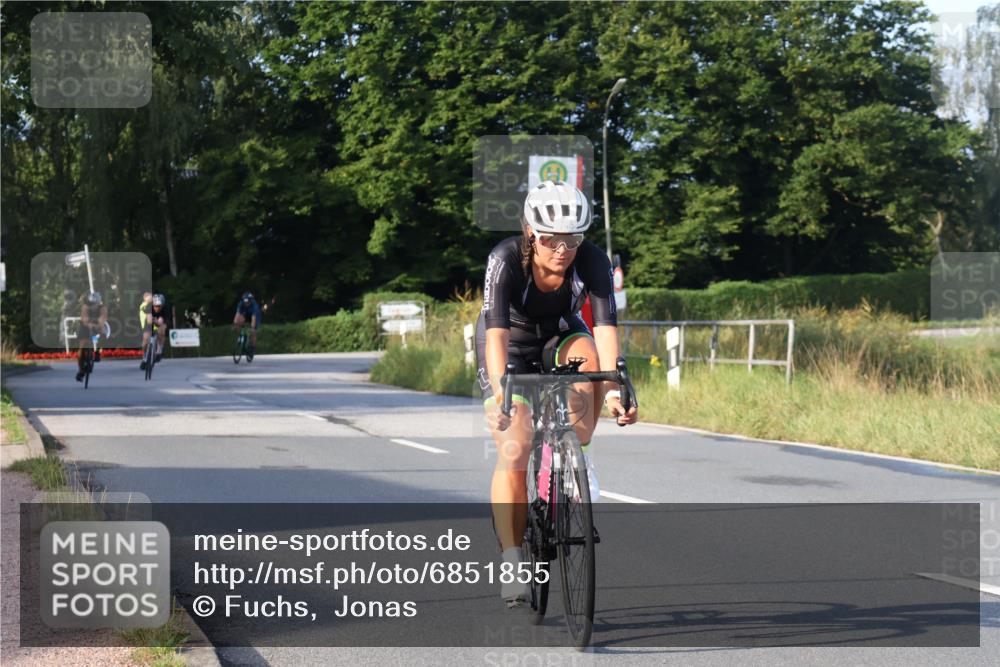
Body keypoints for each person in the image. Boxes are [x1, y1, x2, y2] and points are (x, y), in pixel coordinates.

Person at [476, 180, 638, 606]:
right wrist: (501, 396)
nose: (562, 249)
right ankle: (512, 557)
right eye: (551, 240)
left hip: (561, 335)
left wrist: (617, 390)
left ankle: (576, 455)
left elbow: (605, 332)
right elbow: (494, 336)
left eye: (573, 238)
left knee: (594, 366)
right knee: (515, 447)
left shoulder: (593, 261)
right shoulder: (506, 258)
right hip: (509, 342)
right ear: (531, 232)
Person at [76, 292, 108, 382]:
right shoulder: (85, 307)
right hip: (86, 327)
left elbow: (103, 317)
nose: (94, 305)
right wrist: (88, 324)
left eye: (96, 303)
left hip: (98, 326)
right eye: (92, 303)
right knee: (81, 347)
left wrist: (99, 325)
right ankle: (81, 370)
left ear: (99, 302)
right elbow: (84, 317)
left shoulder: (102, 308)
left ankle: (97, 351)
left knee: (103, 335)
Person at [139, 292, 170, 369]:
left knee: (161, 331)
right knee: (145, 340)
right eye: (155, 306)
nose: (157, 308)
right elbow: (149, 321)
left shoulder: (165, 309)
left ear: (162, 305)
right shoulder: (148, 306)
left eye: (159, 306)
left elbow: (160, 323)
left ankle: (159, 349)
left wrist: (157, 322)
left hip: (160, 319)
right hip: (150, 320)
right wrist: (153, 320)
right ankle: (144, 357)